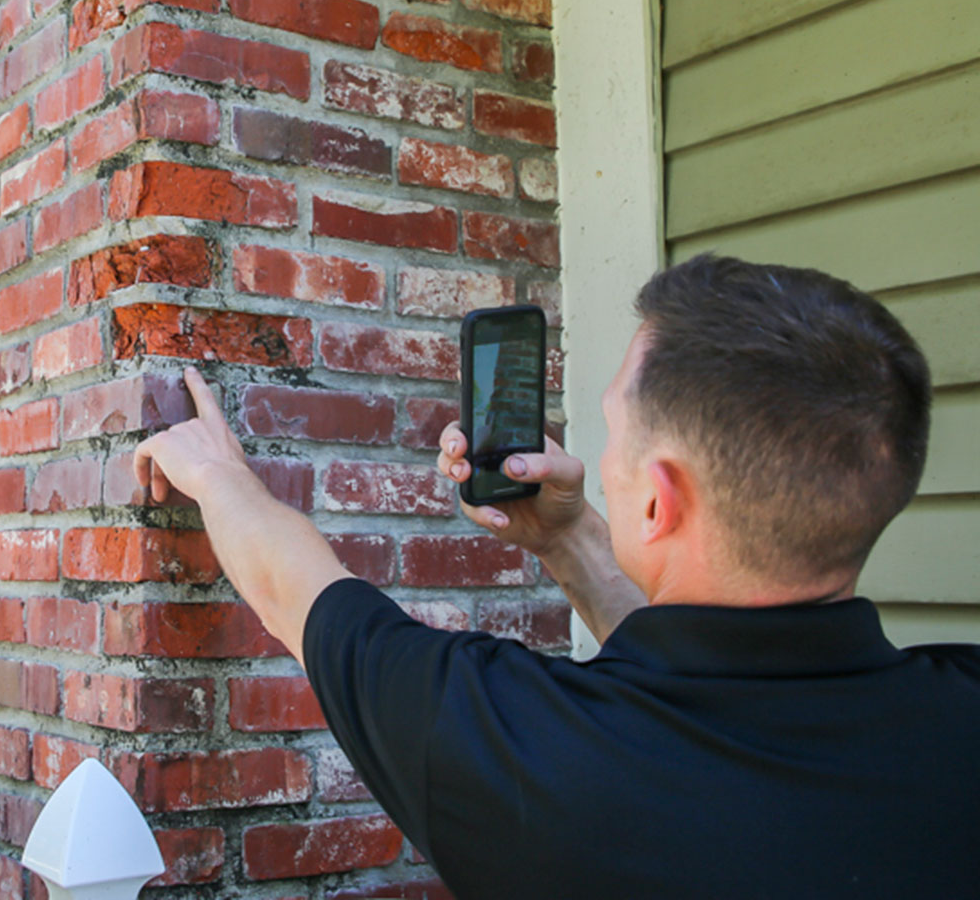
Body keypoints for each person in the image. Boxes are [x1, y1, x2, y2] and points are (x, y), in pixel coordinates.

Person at [133, 255, 979, 899]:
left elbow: (304, 597)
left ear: (658, 500)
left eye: (616, 432)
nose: (601, 463)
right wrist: (570, 539)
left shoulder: (537, 756)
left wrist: (215, 473)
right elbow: (700, 695)